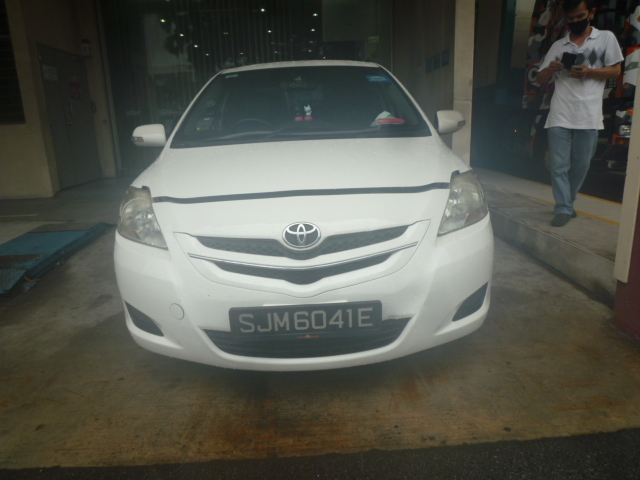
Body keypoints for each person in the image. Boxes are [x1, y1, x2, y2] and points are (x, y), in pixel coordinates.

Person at [536, 0, 623, 227]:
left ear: (591, 13)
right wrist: (550, 69)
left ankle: (568, 202)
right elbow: (539, 79)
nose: (576, 21)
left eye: (580, 16)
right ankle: (563, 208)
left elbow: (616, 70)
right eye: (571, 18)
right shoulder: (559, 46)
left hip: (589, 116)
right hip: (560, 114)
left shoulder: (605, 38)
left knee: (582, 165)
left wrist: (589, 72)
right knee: (558, 166)